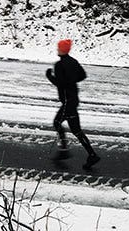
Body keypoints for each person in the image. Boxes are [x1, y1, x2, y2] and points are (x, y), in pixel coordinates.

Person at [46, 39, 100, 170]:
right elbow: (83, 75)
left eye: (59, 48)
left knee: (57, 122)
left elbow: (60, 83)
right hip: (73, 100)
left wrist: (49, 76)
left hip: (67, 102)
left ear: (63, 50)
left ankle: (64, 150)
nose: (57, 49)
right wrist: (72, 81)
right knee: (76, 130)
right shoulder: (74, 62)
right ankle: (92, 155)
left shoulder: (59, 65)